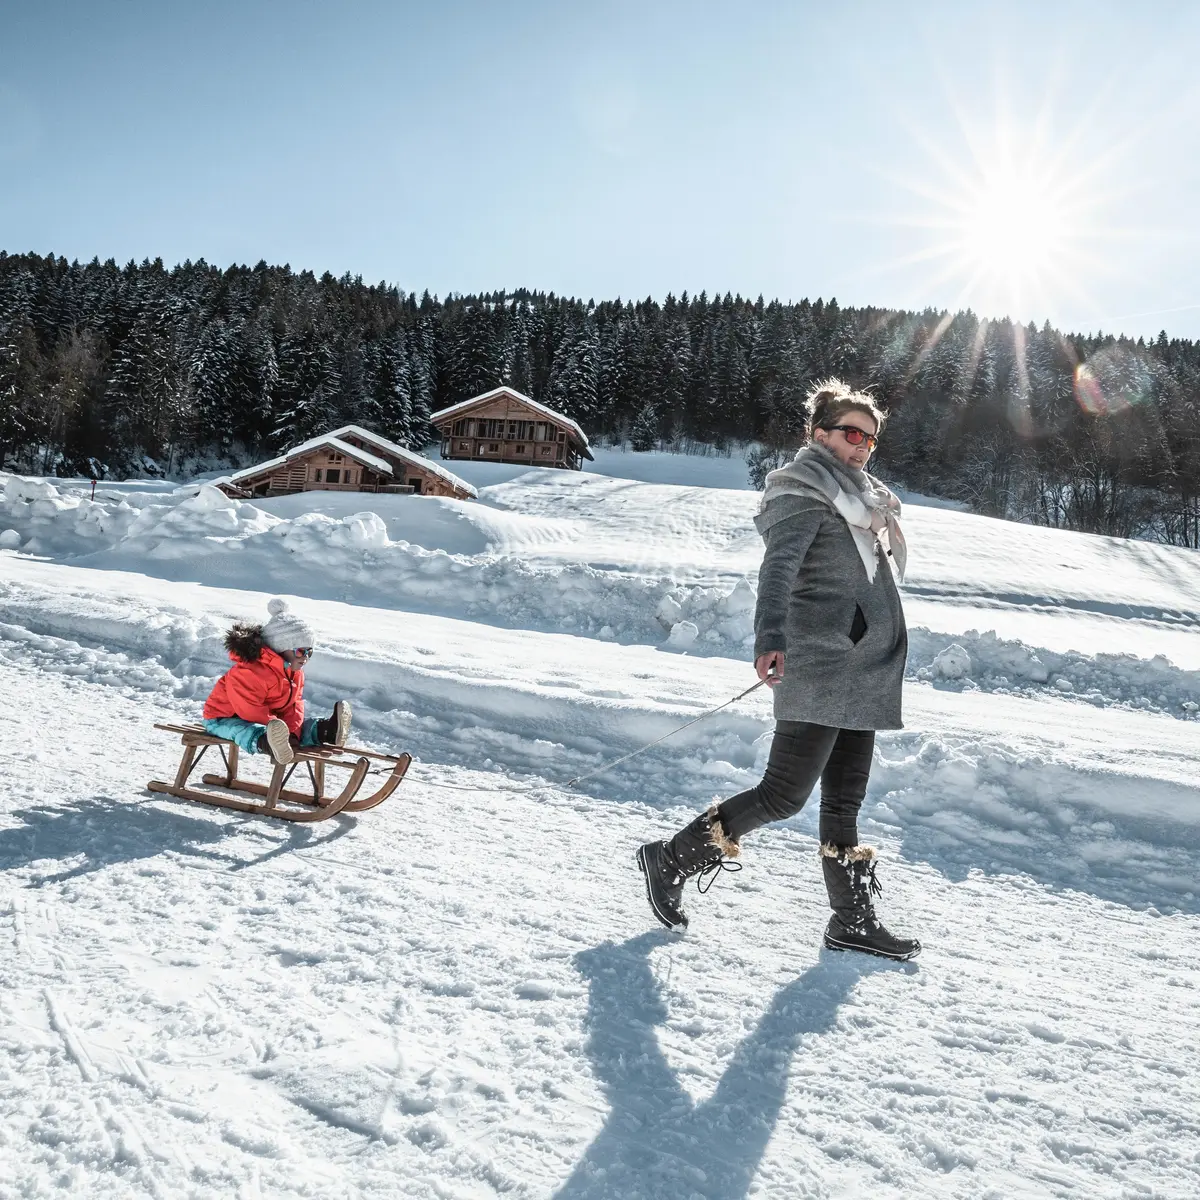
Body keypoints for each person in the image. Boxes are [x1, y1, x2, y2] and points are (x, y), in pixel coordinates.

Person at [637, 379, 920, 961]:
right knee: (784, 794)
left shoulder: (866, 502)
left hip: (864, 668)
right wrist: (770, 637)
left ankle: (850, 920)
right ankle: (670, 858)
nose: (863, 445)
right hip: (820, 661)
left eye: (870, 437)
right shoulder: (804, 490)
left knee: (845, 802)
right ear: (819, 435)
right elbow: (778, 572)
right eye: (851, 433)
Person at [202, 598, 352, 766]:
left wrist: (292, 733)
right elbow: (249, 710)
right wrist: (278, 729)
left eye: (310, 652)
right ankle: (267, 742)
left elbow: (293, 705)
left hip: (273, 722)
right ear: (280, 648)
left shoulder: (295, 673)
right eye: (300, 651)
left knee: (298, 728)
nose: (306, 657)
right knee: (245, 731)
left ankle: (328, 731)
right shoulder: (250, 672)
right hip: (223, 718)